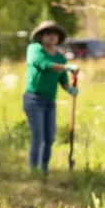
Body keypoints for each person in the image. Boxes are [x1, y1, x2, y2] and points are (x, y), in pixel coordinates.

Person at [24, 20, 79, 175]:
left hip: (50, 101)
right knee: (38, 136)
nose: (51, 36)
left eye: (54, 34)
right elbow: (42, 64)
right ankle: (33, 170)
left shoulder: (60, 58)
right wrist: (66, 67)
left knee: (49, 138)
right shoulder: (35, 49)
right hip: (34, 99)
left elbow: (62, 80)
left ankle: (44, 170)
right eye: (47, 33)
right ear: (41, 36)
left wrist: (70, 89)